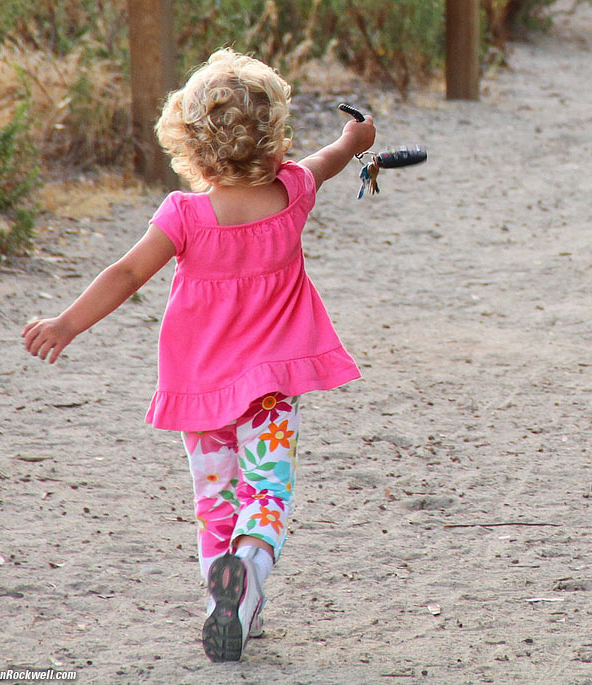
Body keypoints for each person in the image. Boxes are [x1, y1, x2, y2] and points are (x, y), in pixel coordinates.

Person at [21, 47, 376, 662]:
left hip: (202, 389)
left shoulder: (183, 215)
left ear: (191, 140)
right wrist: (356, 135)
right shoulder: (291, 194)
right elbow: (329, 160)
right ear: (273, 136)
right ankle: (249, 583)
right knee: (266, 493)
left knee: (216, 498)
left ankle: (223, 600)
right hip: (269, 391)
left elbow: (127, 273)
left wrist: (66, 323)